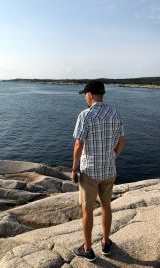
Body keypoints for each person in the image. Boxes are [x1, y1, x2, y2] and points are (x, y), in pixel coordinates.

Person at [72, 79, 125, 262]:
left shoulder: (85, 115)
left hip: (90, 172)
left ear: (91, 95)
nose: (85, 98)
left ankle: (87, 249)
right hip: (109, 170)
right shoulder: (115, 113)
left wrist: (74, 168)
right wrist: (113, 156)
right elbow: (122, 141)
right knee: (106, 206)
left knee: (87, 210)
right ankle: (105, 243)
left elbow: (79, 144)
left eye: (86, 95)